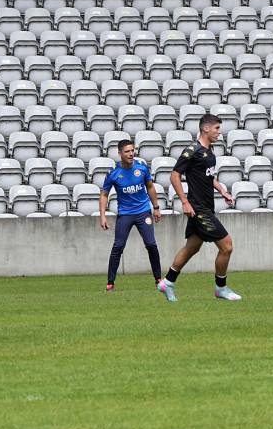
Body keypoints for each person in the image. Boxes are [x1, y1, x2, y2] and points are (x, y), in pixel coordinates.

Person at [159, 114, 240, 302]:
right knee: (227, 246)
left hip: (206, 207)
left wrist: (223, 191)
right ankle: (221, 288)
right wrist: (185, 202)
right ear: (206, 129)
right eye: (217, 129)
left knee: (191, 247)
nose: (219, 133)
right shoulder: (192, 150)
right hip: (198, 209)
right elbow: (174, 176)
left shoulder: (209, 152)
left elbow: (209, 176)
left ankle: (167, 283)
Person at [98, 138, 163, 292]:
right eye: (127, 151)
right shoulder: (114, 174)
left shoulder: (142, 169)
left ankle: (158, 279)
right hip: (125, 215)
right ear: (120, 153)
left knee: (151, 244)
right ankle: (110, 282)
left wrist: (156, 207)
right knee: (118, 246)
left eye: (132, 150)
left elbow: (150, 187)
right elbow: (104, 194)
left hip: (143, 213)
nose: (131, 154)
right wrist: (102, 215)